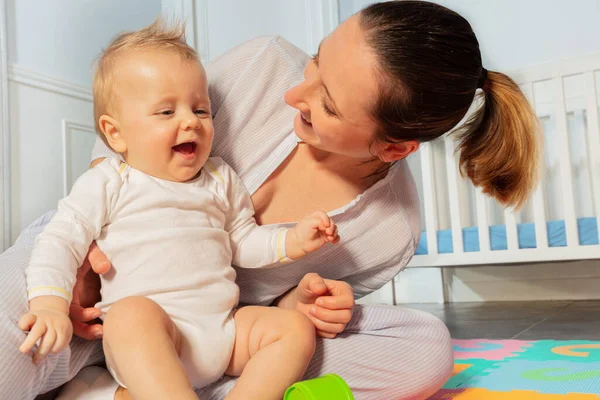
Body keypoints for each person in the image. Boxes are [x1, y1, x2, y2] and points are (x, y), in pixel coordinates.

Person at [0, 1, 540, 399]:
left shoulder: (389, 227)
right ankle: (116, 384)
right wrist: (75, 267)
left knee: (425, 351)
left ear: (393, 146)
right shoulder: (261, 64)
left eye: (325, 103)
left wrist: (304, 304)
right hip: (95, 286)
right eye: (316, 60)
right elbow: (132, 125)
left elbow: (251, 257)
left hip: (217, 326)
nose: (293, 94)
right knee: (16, 356)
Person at [18, 20, 340, 400]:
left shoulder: (220, 178)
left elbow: (243, 241)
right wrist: (50, 305)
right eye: (166, 112)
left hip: (223, 334)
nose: (190, 121)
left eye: (201, 110)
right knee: (130, 315)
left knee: (295, 329)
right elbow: (60, 239)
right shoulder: (110, 181)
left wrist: (291, 240)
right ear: (116, 133)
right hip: (152, 341)